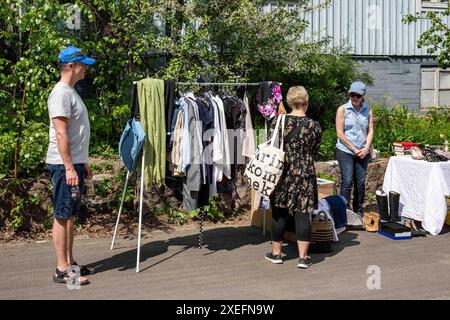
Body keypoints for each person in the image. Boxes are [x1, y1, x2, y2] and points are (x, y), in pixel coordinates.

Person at [46, 46, 96, 285]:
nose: (86, 68)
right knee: (63, 214)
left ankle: (70, 263)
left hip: (73, 163)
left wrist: (81, 162)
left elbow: (75, 133)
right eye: (82, 64)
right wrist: (68, 167)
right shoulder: (61, 94)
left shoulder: (70, 91)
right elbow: (61, 132)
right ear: (70, 67)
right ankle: (62, 269)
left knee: (70, 215)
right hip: (63, 165)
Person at [265, 86, 322, 269]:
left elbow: (271, 145)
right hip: (304, 172)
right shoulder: (314, 125)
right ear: (306, 101)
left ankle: (276, 254)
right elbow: (314, 151)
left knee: (279, 211)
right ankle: (303, 258)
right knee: (302, 213)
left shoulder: (278, 122)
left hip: (282, 172)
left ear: (289, 102)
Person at [335, 81, 374, 215]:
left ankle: (358, 211)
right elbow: (340, 133)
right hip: (346, 150)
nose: (355, 98)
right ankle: (344, 211)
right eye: (352, 95)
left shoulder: (367, 109)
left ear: (363, 96)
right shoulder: (342, 109)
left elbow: (370, 131)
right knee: (347, 180)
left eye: (358, 95)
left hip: (363, 151)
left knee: (361, 183)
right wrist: (354, 149)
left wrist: (366, 148)